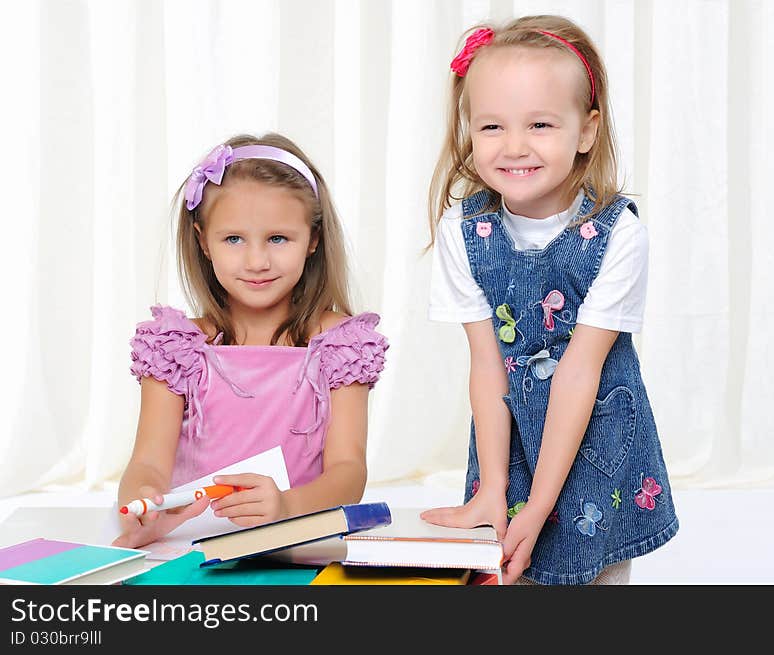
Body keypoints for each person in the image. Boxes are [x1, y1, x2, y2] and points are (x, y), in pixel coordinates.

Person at [422, 15, 678, 585]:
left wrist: (539, 508)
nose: (514, 147)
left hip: (594, 437)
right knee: (506, 572)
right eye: (491, 127)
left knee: (590, 573)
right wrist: (494, 488)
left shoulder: (618, 233)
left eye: (539, 124)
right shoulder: (462, 231)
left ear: (586, 131)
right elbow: (488, 367)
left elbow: (580, 372)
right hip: (507, 442)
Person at [113, 133, 389, 549]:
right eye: (233, 239)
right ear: (203, 240)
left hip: (295, 544)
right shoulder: (176, 346)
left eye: (278, 239)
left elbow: (348, 471)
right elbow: (148, 461)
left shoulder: (340, 345)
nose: (257, 261)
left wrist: (285, 506)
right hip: (192, 546)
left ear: (312, 239)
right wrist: (144, 502)